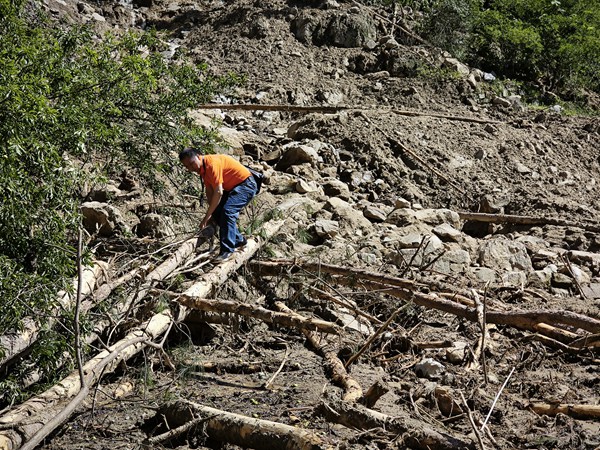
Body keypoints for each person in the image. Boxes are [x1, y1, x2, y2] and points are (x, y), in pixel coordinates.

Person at [179, 148, 257, 263]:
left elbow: (219, 191)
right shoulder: (203, 170)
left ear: (199, 156)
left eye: (191, 164)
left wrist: (206, 217)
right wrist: (212, 214)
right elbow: (210, 192)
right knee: (218, 212)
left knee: (228, 211)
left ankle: (227, 250)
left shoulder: (211, 164)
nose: (191, 168)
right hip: (233, 188)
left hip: (246, 185)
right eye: (187, 167)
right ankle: (239, 240)